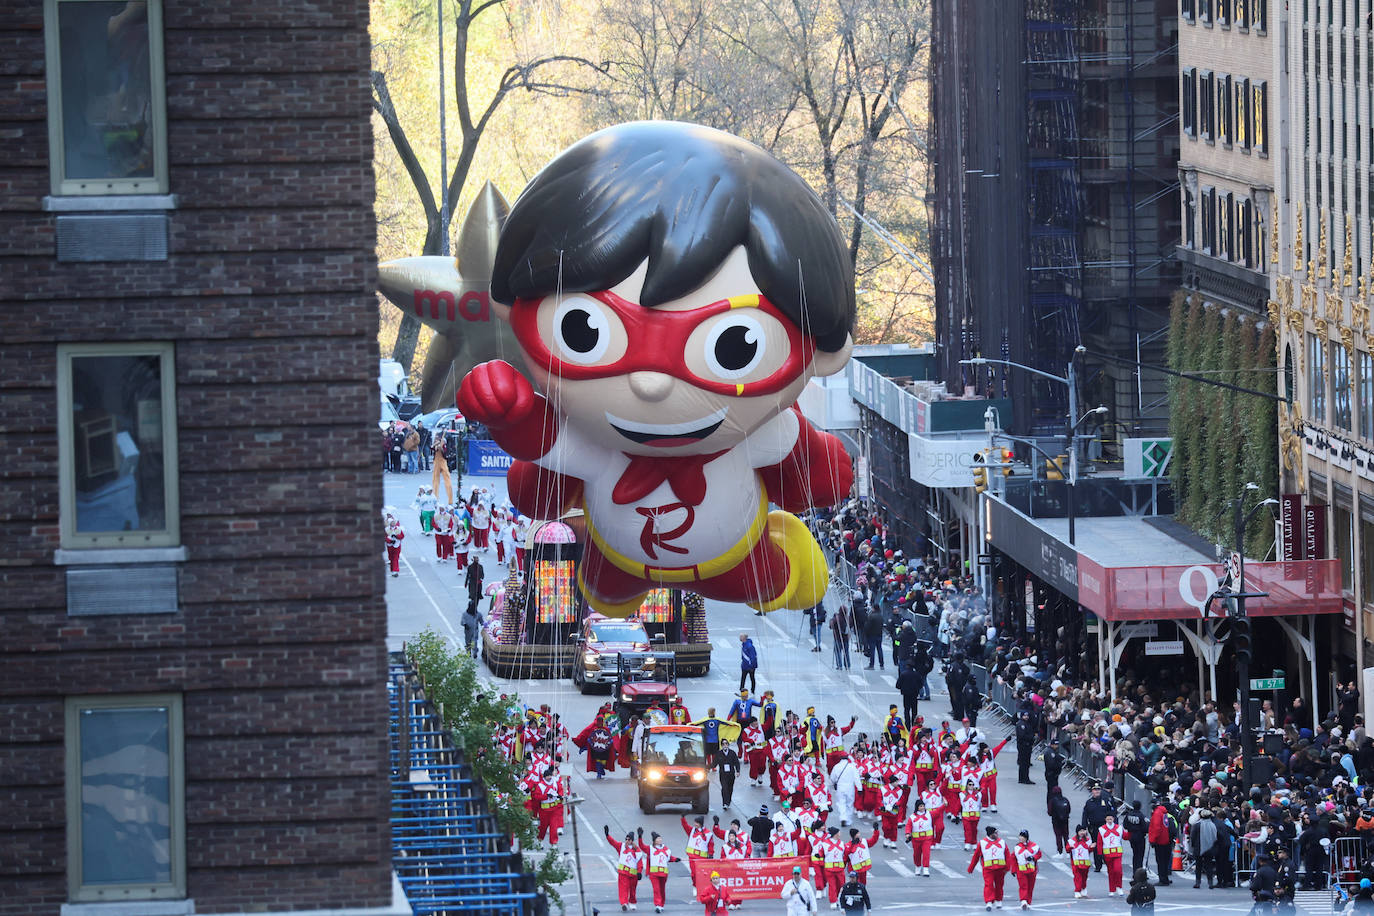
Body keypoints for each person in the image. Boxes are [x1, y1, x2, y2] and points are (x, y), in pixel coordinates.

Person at [968, 825, 1009, 911]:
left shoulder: (1002, 842)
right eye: (995, 833)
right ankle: (989, 901)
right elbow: (976, 856)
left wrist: (1007, 868)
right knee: (988, 885)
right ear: (991, 834)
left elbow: (1007, 855)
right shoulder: (982, 843)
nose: (997, 834)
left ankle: (998, 900)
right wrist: (971, 868)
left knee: (999, 885)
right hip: (988, 869)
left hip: (1000, 868)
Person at [606, 826, 646, 911]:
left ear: (632, 841)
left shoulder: (637, 850)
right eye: (626, 839)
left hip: (633, 874)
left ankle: (632, 902)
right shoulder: (621, 846)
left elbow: (639, 862)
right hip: (623, 873)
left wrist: (639, 872)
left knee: (632, 890)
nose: (627, 841)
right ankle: (624, 903)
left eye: (629, 839)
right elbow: (613, 842)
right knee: (623, 889)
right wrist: (607, 835)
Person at [644, 832, 679, 913]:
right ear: (654, 841)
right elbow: (642, 846)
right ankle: (658, 905)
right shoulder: (650, 849)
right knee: (656, 889)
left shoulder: (666, 849)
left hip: (663, 874)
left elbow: (669, 858)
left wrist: (676, 859)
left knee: (662, 889)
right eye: (658, 839)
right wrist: (640, 837)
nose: (660, 840)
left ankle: (661, 904)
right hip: (654, 874)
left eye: (660, 838)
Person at [1189, 807, 1219, 889]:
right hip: (1210, 847)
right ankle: (1210, 882)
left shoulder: (1197, 825)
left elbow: (1193, 837)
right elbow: (1215, 836)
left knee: (1198, 865)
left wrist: (1192, 846)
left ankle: (1197, 882)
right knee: (1208, 865)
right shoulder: (1213, 825)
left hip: (1199, 848)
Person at [1012, 829, 1042, 910]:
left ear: (1026, 837)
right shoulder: (1017, 847)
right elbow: (1013, 859)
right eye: (1020, 836)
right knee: (1023, 886)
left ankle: (1028, 902)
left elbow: (1039, 854)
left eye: (1023, 836)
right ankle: (1023, 901)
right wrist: (1013, 870)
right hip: (1021, 870)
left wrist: (1033, 858)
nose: (1021, 838)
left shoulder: (1034, 846)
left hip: (1032, 870)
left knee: (1030, 887)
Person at [1098, 812, 1125, 896]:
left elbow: (1125, 836)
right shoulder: (1101, 829)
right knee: (1111, 872)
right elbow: (1099, 842)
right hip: (1108, 854)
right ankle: (1112, 889)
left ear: (1113, 819)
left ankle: (1119, 887)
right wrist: (1099, 853)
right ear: (1105, 819)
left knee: (1118, 870)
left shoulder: (1119, 828)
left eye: (1111, 819)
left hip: (1117, 853)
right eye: (1108, 819)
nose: (1109, 821)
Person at [905, 799, 936, 875]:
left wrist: (944, 805)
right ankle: (918, 867)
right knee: (916, 854)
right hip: (916, 839)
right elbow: (908, 826)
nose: (922, 808)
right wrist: (908, 833)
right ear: (917, 807)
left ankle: (926, 868)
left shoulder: (929, 814)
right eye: (920, 806)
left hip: (927, 838)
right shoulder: (912, 817)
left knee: (926, 853)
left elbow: (938, 811)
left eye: (923, 806)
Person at [1148, 799, 1174, 885]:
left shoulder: (1157, 814)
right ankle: (1165, 878)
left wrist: (1152, 840)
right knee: (1165, 860)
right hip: (1166, 839)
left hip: (1160, 841)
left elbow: (1156, 828)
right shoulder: (1164, 813)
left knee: (1160, 861)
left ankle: (1162, 879)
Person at [1067, 825, 1095, 899]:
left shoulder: (1088, 840)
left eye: (1083, 830)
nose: (1082, 832)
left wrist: (1092, 847)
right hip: (1076, 862)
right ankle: (1077, 890)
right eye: (1080, 831)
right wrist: (1070, 847)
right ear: (1077, 832)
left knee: (1084, 876)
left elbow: (1089, 850)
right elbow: (1067, 849)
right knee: (1077, 877)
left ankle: (1083, 887)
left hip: (1085, 862)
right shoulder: (1072, 840)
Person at [1122, 800, 1149, 875]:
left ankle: (1135, 872)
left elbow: (1125, 825)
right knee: (1140, 855)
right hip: (1140, 836)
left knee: (1135, 854)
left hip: (1131, 836)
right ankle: (1139, 873)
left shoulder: (1129, 814)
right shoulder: (1141, 815)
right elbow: (1145, 827)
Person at [715, 740, 741, 809]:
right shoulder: (719, 753)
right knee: (724, 788)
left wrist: (738, 771)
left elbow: (737, 763)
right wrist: (707, 768)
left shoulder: (732, 753)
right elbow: (714, 763)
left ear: (728, 745)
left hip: (731, 774)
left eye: (726, 743)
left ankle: (728, 801)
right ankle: (725, 803)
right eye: (723, 744)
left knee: (730, 788)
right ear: (721, 745)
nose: (725, 745)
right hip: (723, 774)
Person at [431, 428, 453, 503]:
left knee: (447, 480)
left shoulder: (444, 444)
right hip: (436, 462)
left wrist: (442, 447)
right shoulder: (435, 444)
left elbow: (445, 453)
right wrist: (436, 445)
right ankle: (435, 498)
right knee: (435, 481)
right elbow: (432, 448)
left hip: (443, 461)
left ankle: (450, 500)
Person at [1048, 786, 1071, 855]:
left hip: (1056, 821)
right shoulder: (1065, 799)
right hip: (1065, 820)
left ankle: (1060, 852)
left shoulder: (1052, 801)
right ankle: (1068, 851)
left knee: (1058, 836)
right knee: (1066, 836)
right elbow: (1069, 810)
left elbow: (1049, 812)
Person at [1014, 712, 1036, 785]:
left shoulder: (1026, 723)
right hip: (1024, 745)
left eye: (1027, 715)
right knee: (1024, 763)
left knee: (1025, 763)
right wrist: (1031, 738)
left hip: (1027, 745)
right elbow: (1022, 736)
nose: (1026, 717)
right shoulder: (1021, 724)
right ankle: (1024, 778)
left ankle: (1023, 778)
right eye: (1024, 715)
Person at [384, 513, 405, 577]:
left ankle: (395, 571)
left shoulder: (399, 529)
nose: (393, 523)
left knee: (395, 558)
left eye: (393, 522)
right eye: (391, 522)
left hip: (397, 545)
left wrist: (396, 537)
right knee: (391, 557)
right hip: (390, 545)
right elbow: (384, 537)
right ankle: (393, 570)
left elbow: (402, 536)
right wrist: (390, 541)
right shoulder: (386, 529)